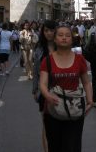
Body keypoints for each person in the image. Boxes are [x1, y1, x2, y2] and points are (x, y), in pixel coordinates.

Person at [39, 24, 93, 152]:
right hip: (53, 111)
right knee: (55, 146)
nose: (64, 38)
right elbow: (42, 83)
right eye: (60, 35)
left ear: (72, 39)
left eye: (68, 35)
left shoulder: (80, 59)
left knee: (72, 146)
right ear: (55, 39)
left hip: (75, 110)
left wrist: (90, 101)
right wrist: (47, 95)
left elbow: (86, 82)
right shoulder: (47, 60)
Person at [32, 20, 57, 152]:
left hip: (61, 90)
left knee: (59, 125)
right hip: (44, 90)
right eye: (46, 30)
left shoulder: (62, 47)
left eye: (51, 30)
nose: (49, 33)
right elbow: (36, 71)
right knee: (46, 125)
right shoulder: (39, 48)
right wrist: (34, 89)